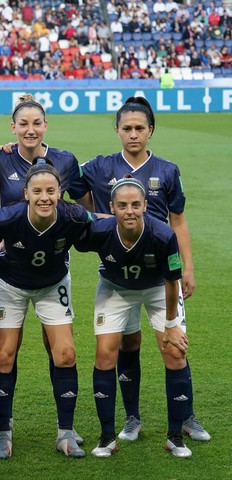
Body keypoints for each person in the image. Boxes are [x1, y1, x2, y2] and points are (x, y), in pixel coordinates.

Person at [80, 96, 209, 443]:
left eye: (140, 128)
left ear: (150, 131)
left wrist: (188, 270)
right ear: (117, 131)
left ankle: (187, 417)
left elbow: (178, 222)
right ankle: (132, 418)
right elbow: (63, 187)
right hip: (117, 278)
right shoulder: (98, 167)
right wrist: (99, 218)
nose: (133, 134)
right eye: (127, 128)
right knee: (128, 343)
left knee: (174, 347)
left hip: (160, 277)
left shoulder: (167, 170)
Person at [0, 94, 91, 446]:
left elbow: (85, 199)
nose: (30, 129)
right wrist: (9, 206)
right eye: (23, 124)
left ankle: (65, 431)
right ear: (13, 128)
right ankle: (3, 429)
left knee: (64, 352)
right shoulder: (0, 157)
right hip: (9, 273)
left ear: (45, 126)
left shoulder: (65, 161)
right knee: (6, 353)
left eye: (36, 123)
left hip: (53, 274)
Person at [75, 176, 193, 458]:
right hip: (115, 289)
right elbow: (70, 236)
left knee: (175, 352)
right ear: (112, 207)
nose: (130, 211)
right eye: (123, 205)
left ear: (145, 206)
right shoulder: (100, 231)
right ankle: (107, 437)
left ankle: (175, 436)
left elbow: (170, 281)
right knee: (105, 355)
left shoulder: (163, 235)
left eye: (136, 205)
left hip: (156, 289)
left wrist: (171, 325)